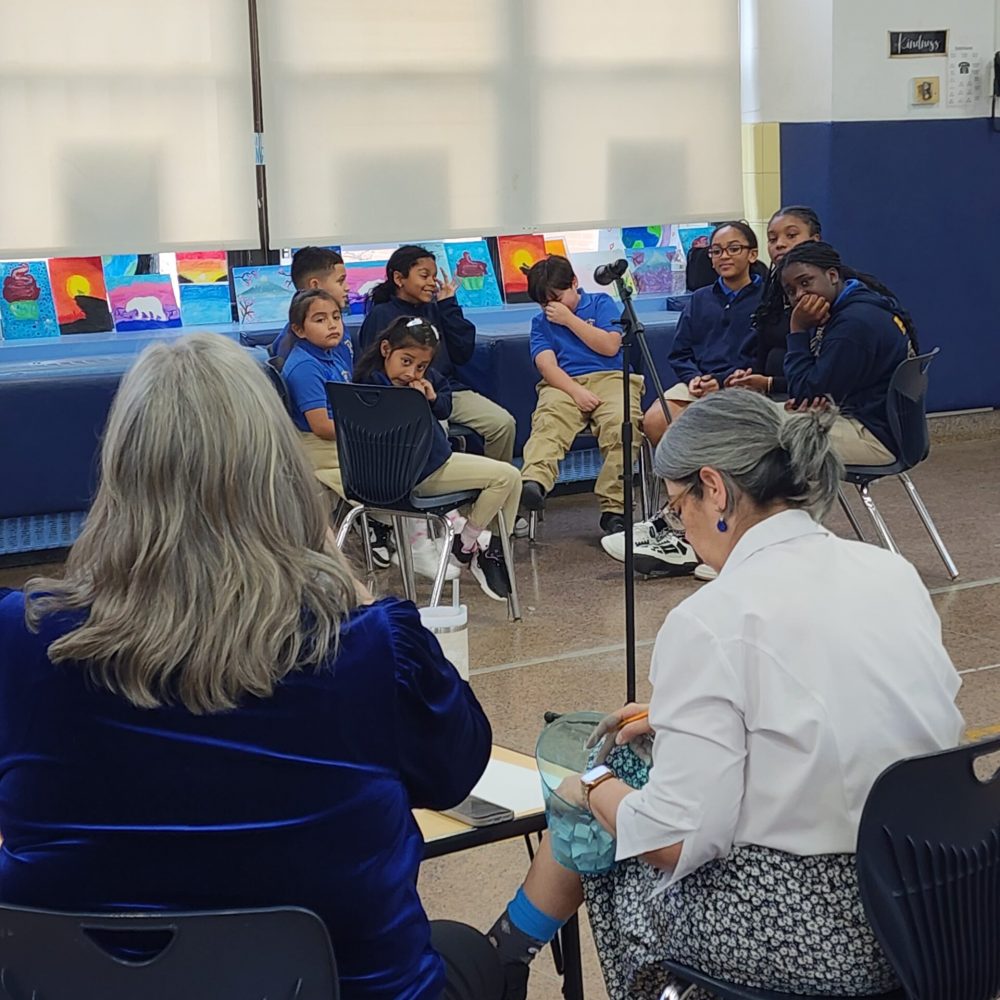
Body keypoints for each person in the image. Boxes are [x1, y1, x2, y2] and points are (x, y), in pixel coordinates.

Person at [0, 333, 511, 1000]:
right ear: (278, 471)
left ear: (120, 473)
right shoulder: (368, 648)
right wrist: (336, 572)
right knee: (471, 952)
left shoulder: (24, 637)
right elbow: (456, 774)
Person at [487, 390, 964, 1000]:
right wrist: (682, 717)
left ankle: (508, 949)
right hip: (935, 906)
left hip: (814, 935)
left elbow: (674, 842)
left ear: (714, 488)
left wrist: (593, 781)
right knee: (645, 756)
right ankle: (507, 948)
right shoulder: (888, 571)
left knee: (611, 777)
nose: (677, 525)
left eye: (675, 505)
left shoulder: (709, 618)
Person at [602, 221, 764, 576]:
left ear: (752, 254)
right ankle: (684, 517)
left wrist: (726, 382)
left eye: (733, 248)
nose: (724, 257)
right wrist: (695, 379)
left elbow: (768, 354)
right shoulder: (700, 299)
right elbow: (680, 353)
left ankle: (698, 522)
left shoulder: (767, 299)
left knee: (722, 434)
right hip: (699, 385)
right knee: (656, 420)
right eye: (717, 251)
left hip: (742, 386)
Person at [354, 317, 522, 603]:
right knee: (507, 477)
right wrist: (413, 402)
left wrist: (431, 400)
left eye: (420, 366)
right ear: (385, 349)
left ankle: (482, 547)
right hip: (414, 475)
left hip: (434, 464)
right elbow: (392, 434)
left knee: (511, 479)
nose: (411, 372)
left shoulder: (424, 380)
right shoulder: (371, 384)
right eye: (405, 361)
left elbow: (445, 407)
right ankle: (469, 545)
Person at [516, 255, 643, 537]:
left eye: (556, 298)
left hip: (611, 377)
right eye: (543, 303)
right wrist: (576, 392)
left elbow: (610, 346)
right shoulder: (541, 323)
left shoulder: (600, 303)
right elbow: (547, 366)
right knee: (549, 421)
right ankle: (534, 481)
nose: (550, 307)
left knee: (622, 424)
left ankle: (615, 509)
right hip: (564, 383)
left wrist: (570, 320)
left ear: (574, 283)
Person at [359, 245, 517, 467]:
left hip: (447, 390)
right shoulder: (381, 315)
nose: (432, 283)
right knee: (437, 435)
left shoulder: (437, 308)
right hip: (405, 396)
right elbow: (371, 367)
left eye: (434, 276)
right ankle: (442, 494)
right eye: (424, 276)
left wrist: (448, 305)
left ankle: (493, 487)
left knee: (503, 423)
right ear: (398, 278)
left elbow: (463, 352)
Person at [279, 289, 393, 568]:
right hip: (319, 446)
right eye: (320, 319)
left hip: (339, 438)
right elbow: (321, 426)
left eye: (336, 317)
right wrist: (365, 430)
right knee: (393, 464)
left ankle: (395, 527)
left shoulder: (335, 353)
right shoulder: (305, 366)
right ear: (299, 329)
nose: (332, 325)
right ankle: (390, 529)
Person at [777, 240, 917, 465]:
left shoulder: (852, 325)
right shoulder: (859, 303)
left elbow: (803, 393)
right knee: (749, 417)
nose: (799, 295)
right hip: (872, 420)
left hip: (874, 436)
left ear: (832, 275)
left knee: (760, 437)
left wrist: (798, 330)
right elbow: (815, 390)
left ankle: (776, 502)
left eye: (806, 282)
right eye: (791, 291)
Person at [725, 205, 824, 398]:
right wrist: (749, 378)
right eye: (772, 239)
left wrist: (771, 384)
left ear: (815, 240)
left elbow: (824, 377)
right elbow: (764, 350)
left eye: (791, 235)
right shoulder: (772, 294)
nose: (779, 244)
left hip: (812, 398)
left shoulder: (825, 293)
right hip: (772, 395)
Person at [270, 246, 350, 364]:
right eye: (340, 281)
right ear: (315, 285)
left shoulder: (334, 325)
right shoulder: (296, 345)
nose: (347, 287)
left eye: (335, 317)